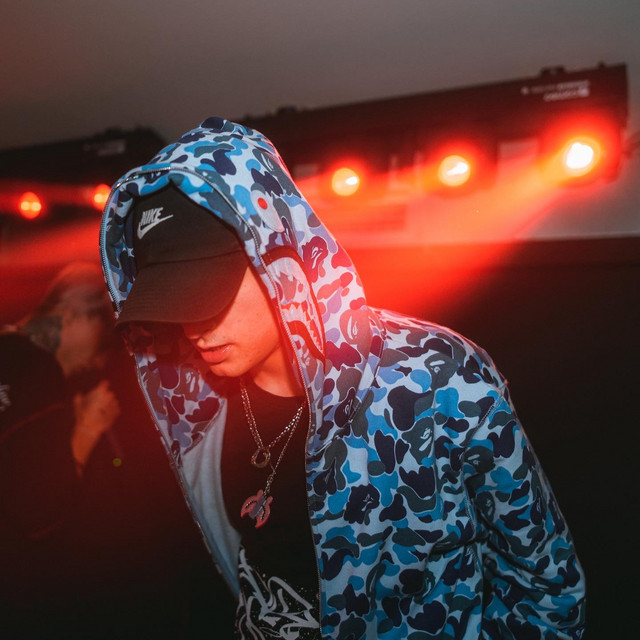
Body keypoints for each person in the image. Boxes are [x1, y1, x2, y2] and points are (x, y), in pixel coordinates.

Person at [99, 117, 586, 639]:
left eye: (203, 291)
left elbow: (546, 587)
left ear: (277, 254)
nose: (191, 327)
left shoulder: (436, 376)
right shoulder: (199, 405)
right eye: (170, 302)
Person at [0, 262, 120, 632]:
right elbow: (41, 512)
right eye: (103, 336)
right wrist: (88, 428)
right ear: (74, 314)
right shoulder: (40, 371)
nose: (97, 359)